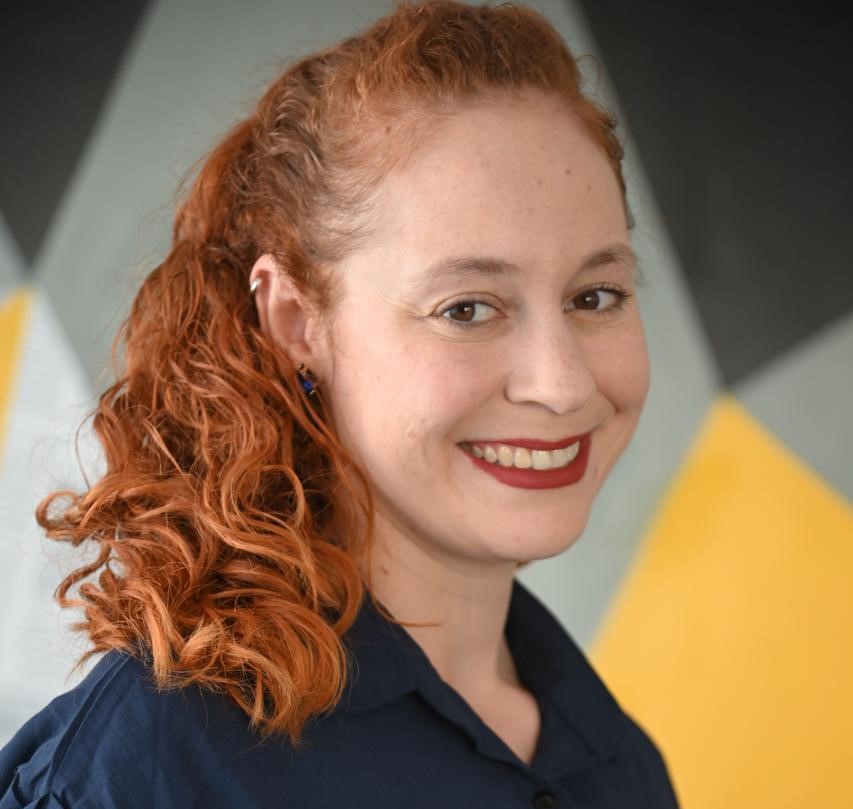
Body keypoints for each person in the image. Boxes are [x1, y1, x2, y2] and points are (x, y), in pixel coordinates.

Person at [0, 2, 679, 806]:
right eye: (466, 308)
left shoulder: (622, 769)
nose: (562, 383)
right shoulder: (153, 764)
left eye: (594, 295)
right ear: (295, 321)